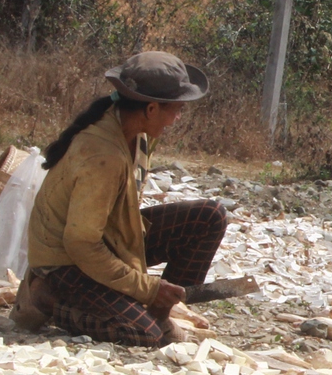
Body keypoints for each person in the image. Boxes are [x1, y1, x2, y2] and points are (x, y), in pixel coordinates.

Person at [12, 51, 227, 346]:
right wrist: (145, 288)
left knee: (209, 218)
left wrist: (152, 293)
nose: (177, 119)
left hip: (109, 241)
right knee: (143, 334)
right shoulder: (102, 154)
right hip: (65, 264)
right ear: (151, 109)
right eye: (176, 109)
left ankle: (160, 310)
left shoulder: (136, 132)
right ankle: (45, 299)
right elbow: (81, 244)